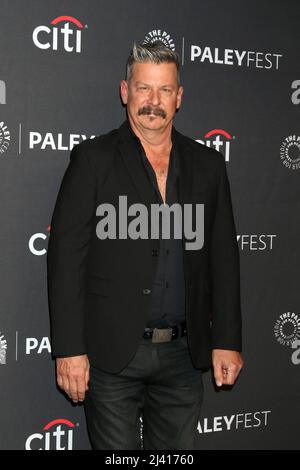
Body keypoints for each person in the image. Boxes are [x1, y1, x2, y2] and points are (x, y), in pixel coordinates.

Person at [47, 41, 244, 450]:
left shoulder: (207, 165)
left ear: (179, 97)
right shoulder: (92, 160)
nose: (153, 101)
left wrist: (227, 339)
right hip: (113, 354)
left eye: (165, 90)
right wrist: (68, 350)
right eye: (143, 88)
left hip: (184, 357)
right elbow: (66, 261)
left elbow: (223, 259)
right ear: (125, 91)